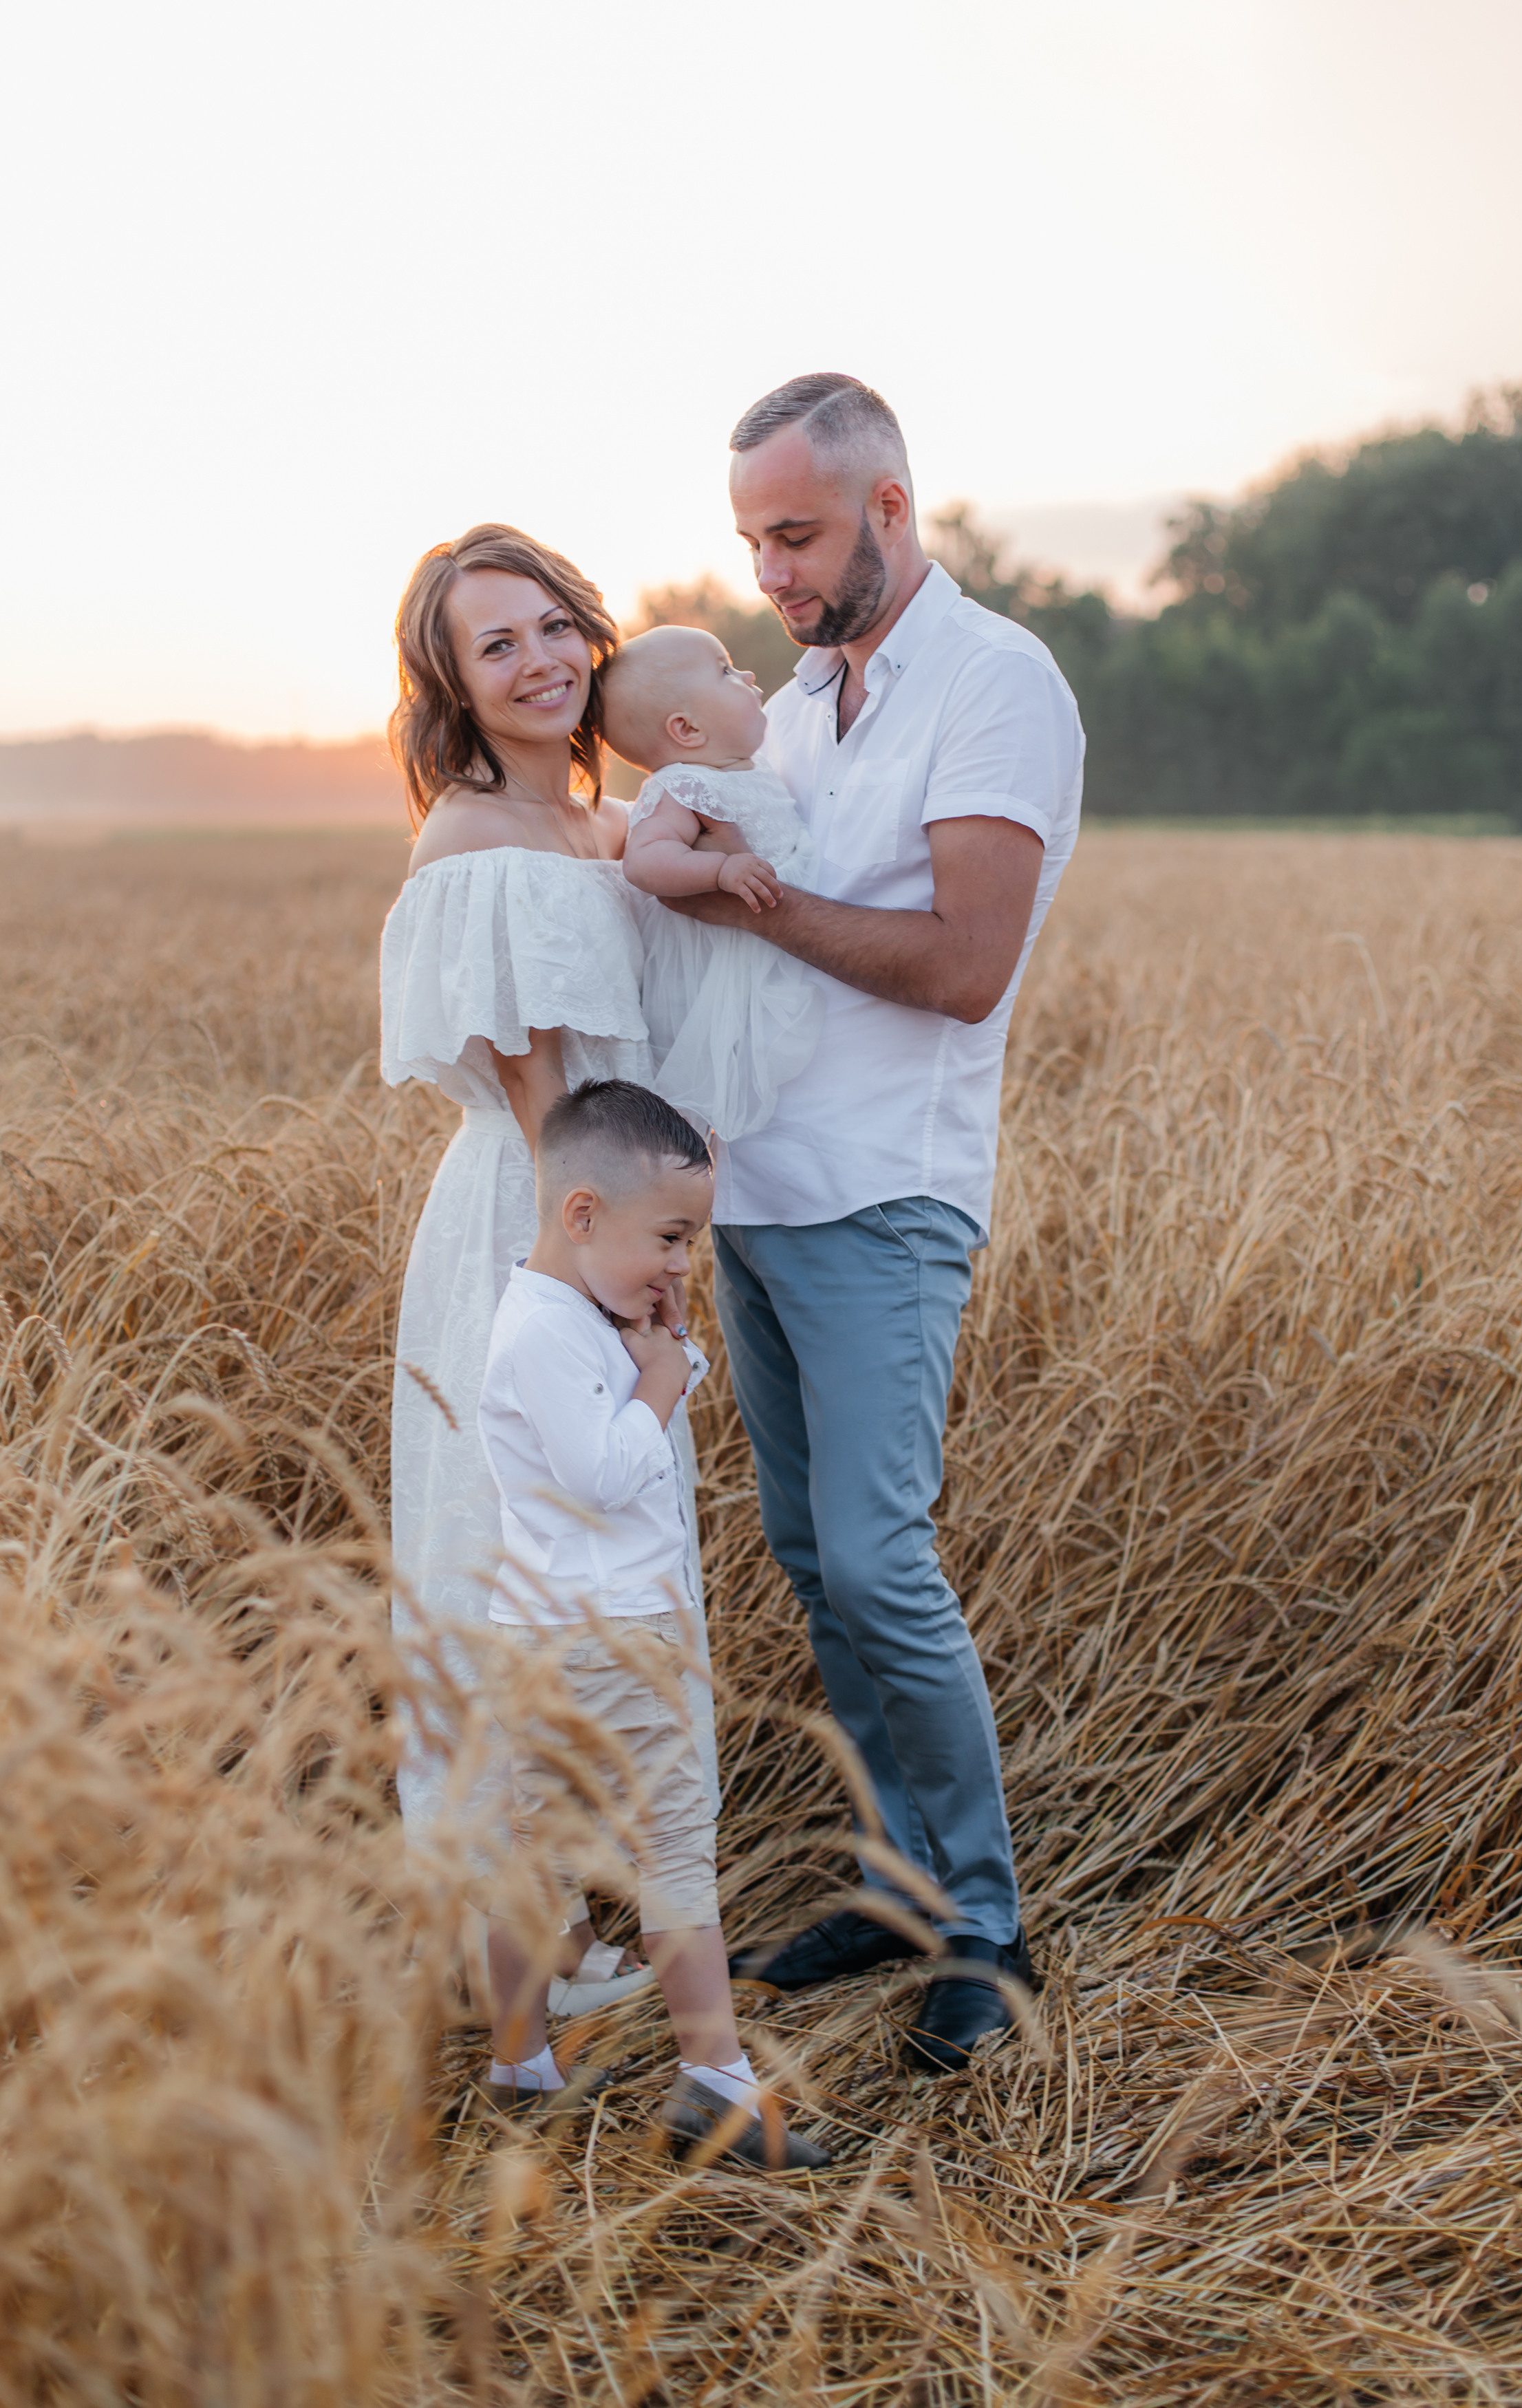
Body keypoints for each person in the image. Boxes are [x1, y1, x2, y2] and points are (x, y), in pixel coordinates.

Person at [670, 374, 1084, 2073]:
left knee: (878, 1560)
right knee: (810, 1557)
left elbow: (963, 965)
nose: (768, 572)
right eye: (751, 541)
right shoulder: (797, 703)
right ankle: (895, 1884)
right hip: (756, 1193)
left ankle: (984, 1927)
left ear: (889, 509)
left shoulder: (994, 682)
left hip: (886, 1197)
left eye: (795, 535)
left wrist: (754, 904)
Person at [378, 524, 718, 2021]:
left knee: (600, 1553)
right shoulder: (472, 840)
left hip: (605, 1213)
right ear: (453, 685)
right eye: (495, 645)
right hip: (534, 1226)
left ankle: (563, 1910)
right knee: (508, 1556)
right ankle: (510, 1946)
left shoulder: (596, 825)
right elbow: (542, 1106)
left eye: (552, 627)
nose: (538, 662)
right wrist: (601, 1276)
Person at [478, 1078, 829, 2171]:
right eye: (671, 1237)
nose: (683, 1264)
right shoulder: (547, 1332)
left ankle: (519, 2063)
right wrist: (667, 1377)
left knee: (533, 1857)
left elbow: (630, 1407)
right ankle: (716, 2089)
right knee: (672, 1848)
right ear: (582, 1213)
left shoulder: (565, 1312)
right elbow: (601, 1475)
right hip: (613, 1637)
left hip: (553, 1637)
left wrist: (662, 1349)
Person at [603, 623, 822, 1139]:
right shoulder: (685, 785)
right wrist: (719, 871)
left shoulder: (754, 770)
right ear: (687, 729)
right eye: (725, 671)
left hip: (758, 951)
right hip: (706, 966)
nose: (747, 675)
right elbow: (645, 861)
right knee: (704, 1082)